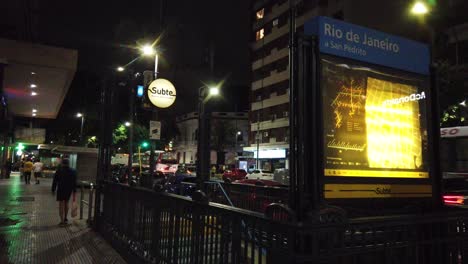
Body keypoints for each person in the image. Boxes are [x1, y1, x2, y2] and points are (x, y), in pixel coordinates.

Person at [52, 158, 77, 226]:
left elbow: (55, 181)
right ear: (69, 163)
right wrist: (74, 191)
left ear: (62, 163)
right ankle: (66, 218)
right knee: (66, 202)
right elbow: (74, 182)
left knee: (61, 204)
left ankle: (62, 221)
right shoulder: (73, 171)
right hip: (68, 189)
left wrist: (53, 190)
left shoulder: (59, 170)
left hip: (61, 189)